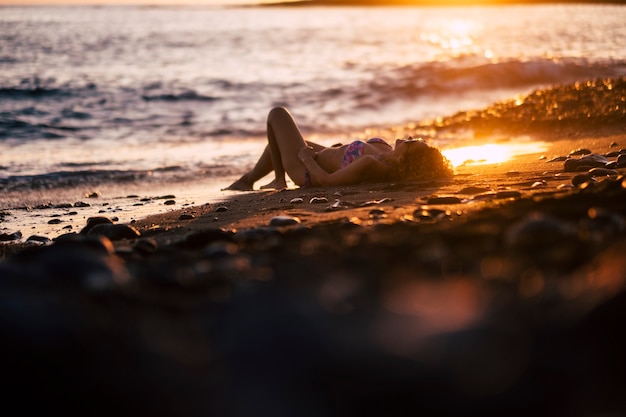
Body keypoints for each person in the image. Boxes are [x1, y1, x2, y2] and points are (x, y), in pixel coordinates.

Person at [224, 107, 452, 191]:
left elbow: (327, 181)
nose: (409, 137)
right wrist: (323, 151)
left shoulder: (374, 164)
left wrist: (307, 158)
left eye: (412, 143)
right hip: (318, 157)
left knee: (277, 114)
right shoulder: (384, 153)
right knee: (274, 144)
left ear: (405, 160)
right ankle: (248, 180)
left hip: (305, 172)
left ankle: (280, 179)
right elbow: (343, 159)